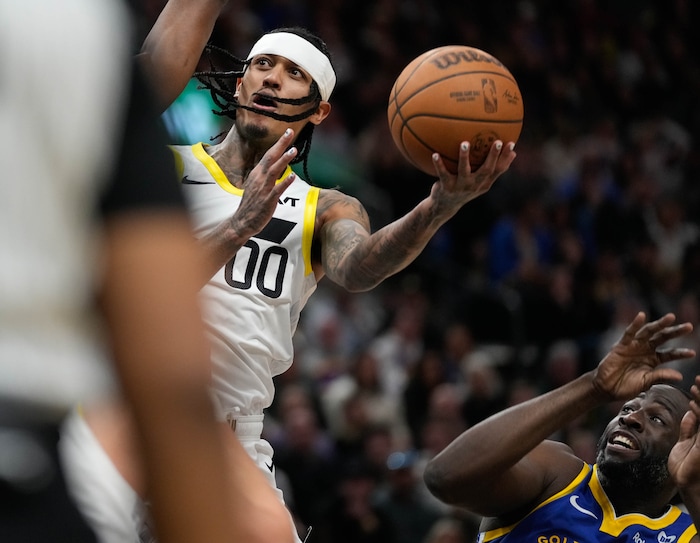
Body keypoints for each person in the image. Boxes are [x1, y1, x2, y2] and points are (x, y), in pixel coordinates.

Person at [62, 0, 518, 540]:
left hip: (226, 433)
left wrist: (437, 207)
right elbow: (137, 297)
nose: (272, 80)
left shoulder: (327, 207)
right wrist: (237, 225)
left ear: (318, 110)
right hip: (121, 399)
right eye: (262, 65)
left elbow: (359, 268)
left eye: (293, 73)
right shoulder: (162, 166)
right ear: (239, 85)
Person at [0, 1, 292, 543]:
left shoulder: (325, 206)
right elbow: (165, 365)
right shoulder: (68, 38)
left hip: (219, 420)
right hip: (59, 419)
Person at [423, 311, 700, 543]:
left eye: (656, 419)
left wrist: (692, 486)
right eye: (627, 407)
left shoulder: (686, 533)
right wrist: (592, 387)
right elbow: (445, 476)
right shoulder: (559, 475)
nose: (630, 418)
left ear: (684, 447)